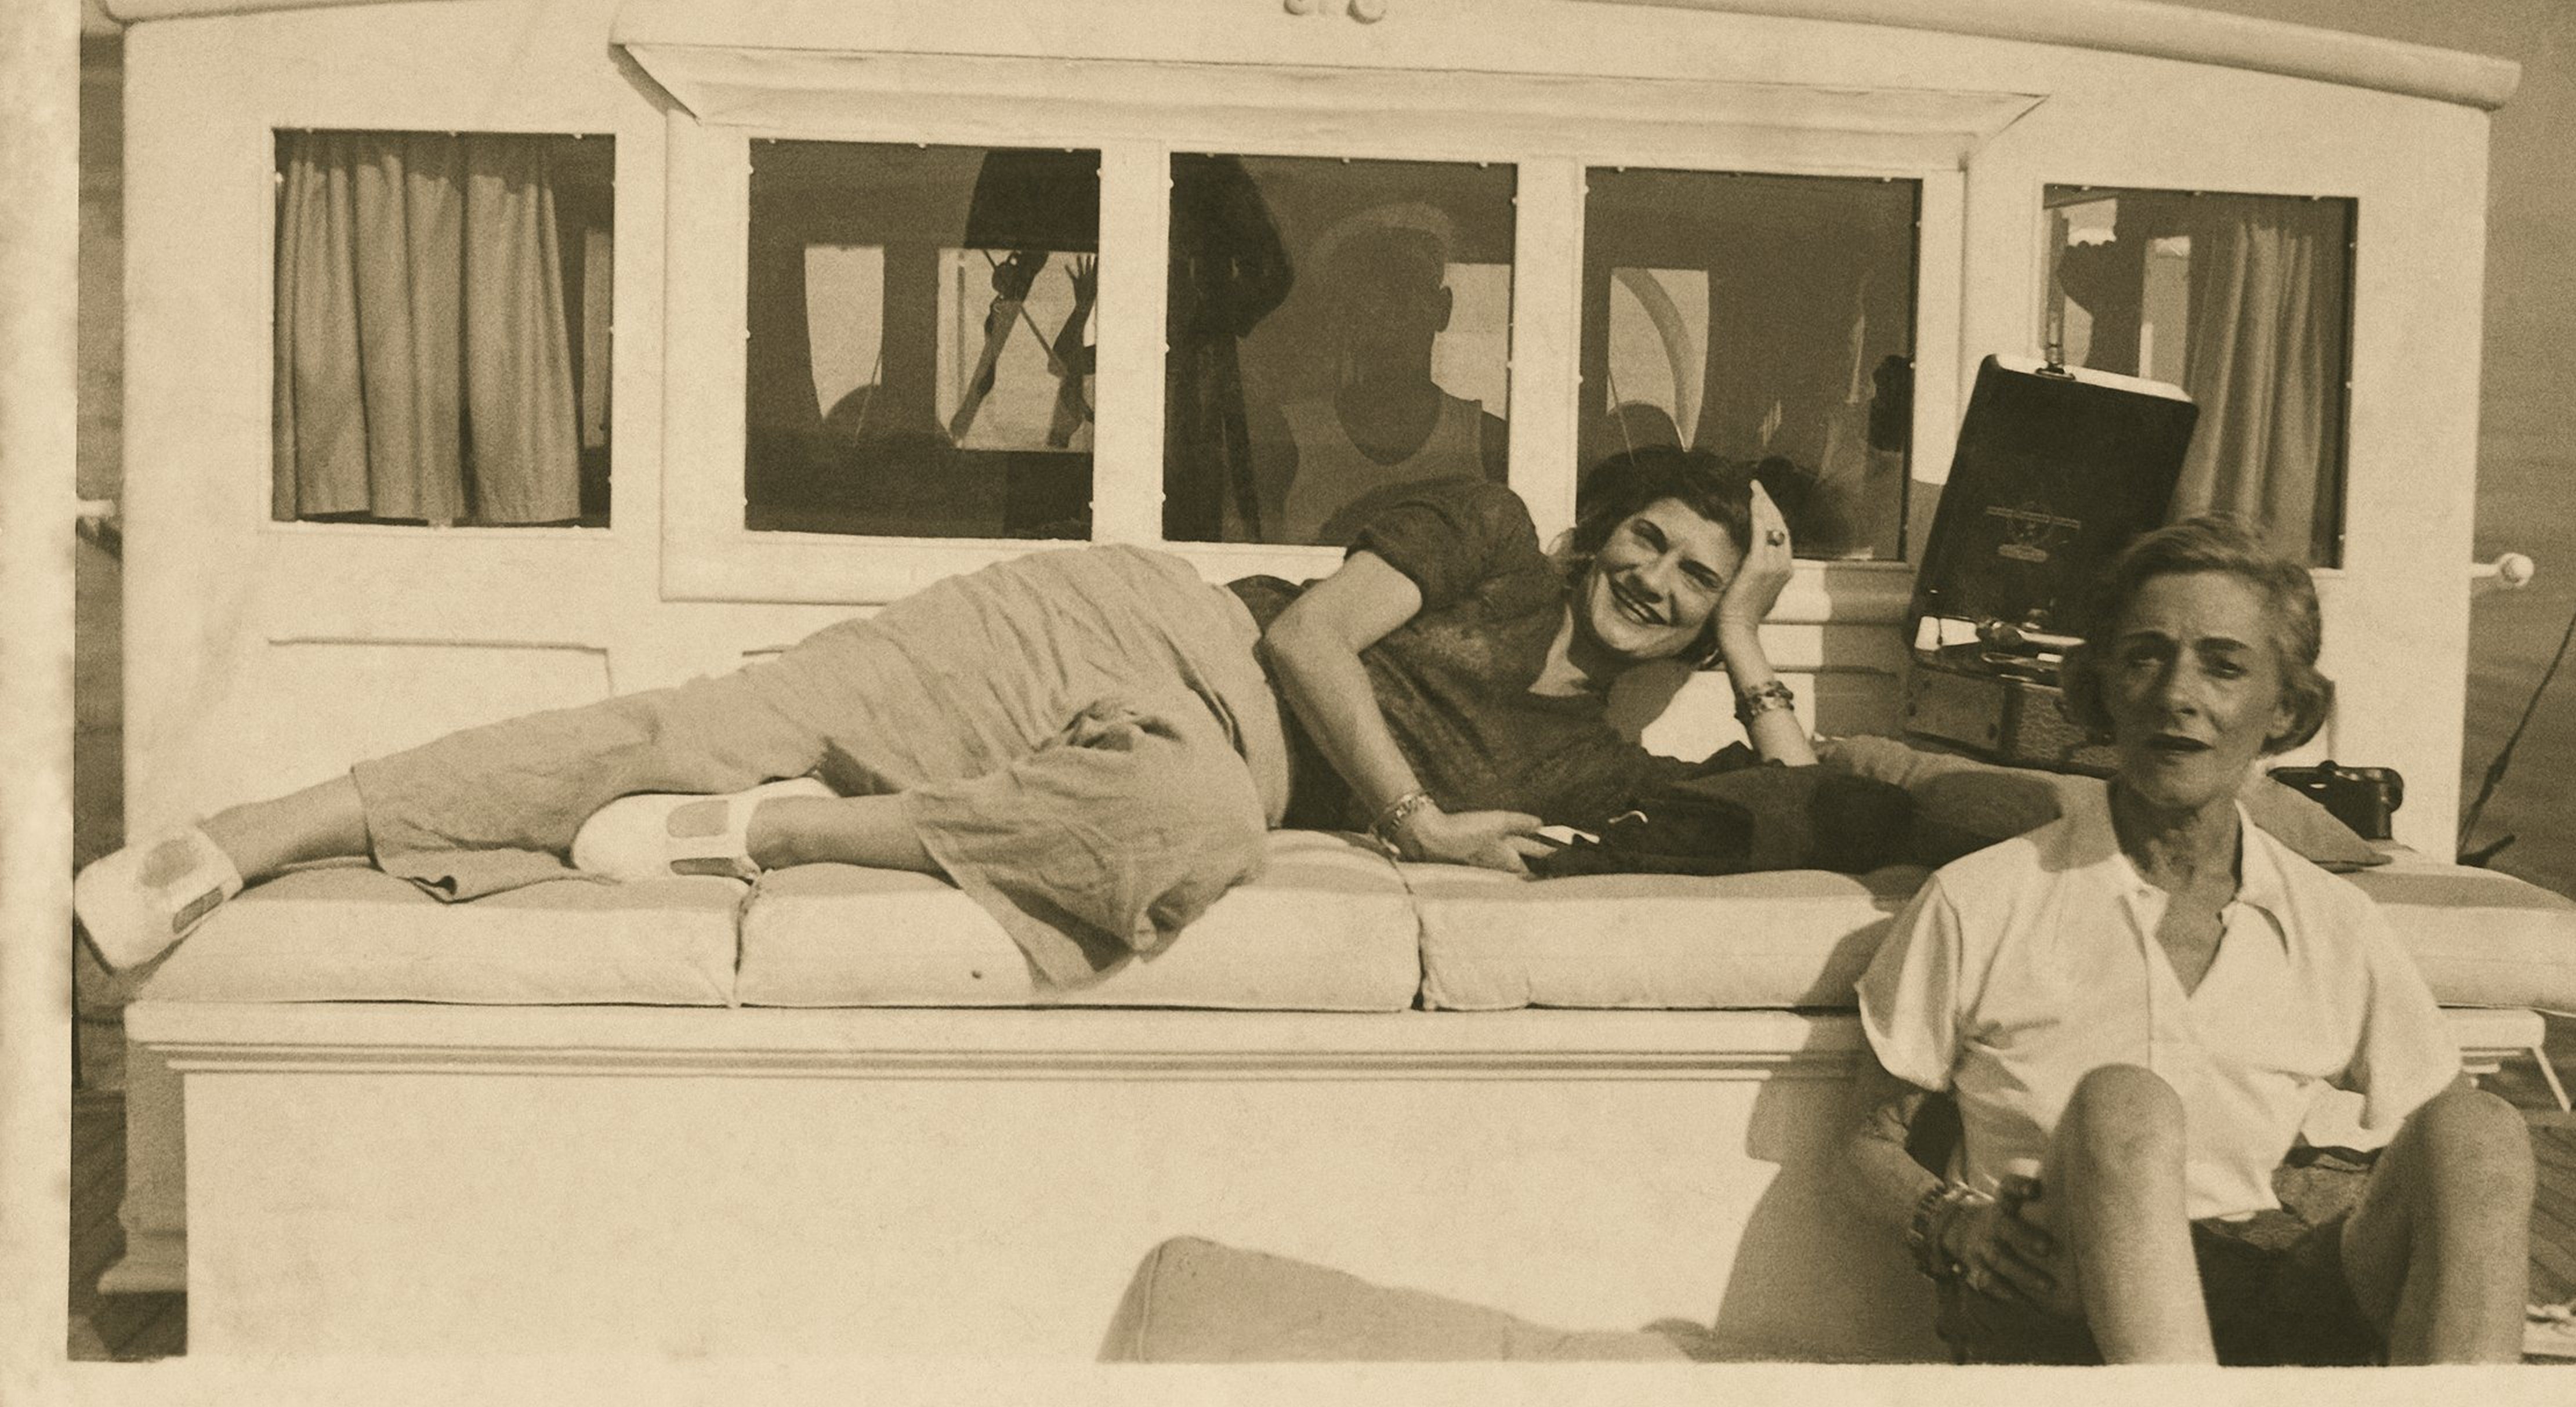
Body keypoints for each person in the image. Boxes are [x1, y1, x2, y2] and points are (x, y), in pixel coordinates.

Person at [76, 447, 1805, 980]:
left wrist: (1748, 657)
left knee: (1195, 836)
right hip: (1141, 627)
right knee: (688, 722)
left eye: (1695, 575)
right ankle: (236, 841)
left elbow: (1799, 816)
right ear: (1600, 529)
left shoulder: (1600, 754)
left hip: (1202, 770)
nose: (1655, 577)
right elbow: (1314, 648)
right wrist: (1420, 823)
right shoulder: (1492, 530)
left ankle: (766, 837)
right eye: (1649, 540)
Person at [1839, 514, 2535, 1365]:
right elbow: (1865, 1144)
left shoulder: (2332, 922)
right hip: (2057, 1293)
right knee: (2122, 1104)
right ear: (2099, 691)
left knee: (2478, 1129)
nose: (2177, 693)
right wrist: (1950, 1222)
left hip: (2259, 1276)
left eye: (2223, 664)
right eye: (2144, 655)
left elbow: (2421, 1147)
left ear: (2284, 708)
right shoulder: (1983, 900)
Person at [1253, 202, 1510, 545]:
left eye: (1406, 295)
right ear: (1343, 318)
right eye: (1369, 301)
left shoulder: (1488, 444)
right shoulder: (1286, 441)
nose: (1389, 320)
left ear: (1441, 308)